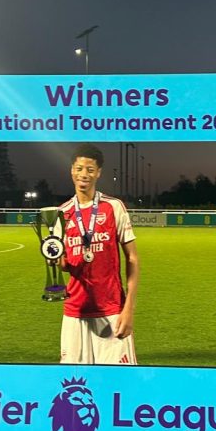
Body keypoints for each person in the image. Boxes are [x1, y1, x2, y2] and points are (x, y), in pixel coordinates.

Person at [56, 144, 139, 364]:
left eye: (90, 170)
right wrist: (54, 259)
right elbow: (64, 265)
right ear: (72, 170)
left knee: (118, 380)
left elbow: (132, 258)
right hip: (75, 311)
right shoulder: (62, 213)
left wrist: (129, 309)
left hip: (111, 310)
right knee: (74, 379)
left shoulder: (113, 207)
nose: (84, 174)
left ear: (98, 173)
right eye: (79, 168)